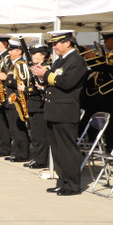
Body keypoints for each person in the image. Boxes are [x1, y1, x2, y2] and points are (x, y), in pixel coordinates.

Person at [30, 30, 88, 196]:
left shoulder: (76, 61)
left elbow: (67, 83)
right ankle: (62, 181)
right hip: (54, 110)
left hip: (65, 111)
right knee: (57, 150)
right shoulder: (60, 61)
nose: (54, 47)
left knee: (67, 149)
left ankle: (73, 185)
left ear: (67, 43)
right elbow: (52, 83)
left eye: (56, 43)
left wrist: (46, 74)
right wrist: (41, 76)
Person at [23, 45, 51, 169]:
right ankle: (36, 157)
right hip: (33, 104)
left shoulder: (45, 68)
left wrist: (25, 89)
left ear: (43, 55)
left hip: (40, 105)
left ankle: (41, 160)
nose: (32, 56)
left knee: (40, 135)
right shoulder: (35, 68)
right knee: (34, 135)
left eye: (35, 54)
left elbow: (40, 87)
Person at [2, 40, 30, 162]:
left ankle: (23, 153)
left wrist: (6, 79)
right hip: (11, 100)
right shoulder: (13, 64)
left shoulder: (21, 64)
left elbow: (23, 81)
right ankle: (16, 151)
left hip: (17, 100)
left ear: (19, 51)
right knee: (13, 129)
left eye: (11, 50)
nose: (9, 52)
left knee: (18, 129)